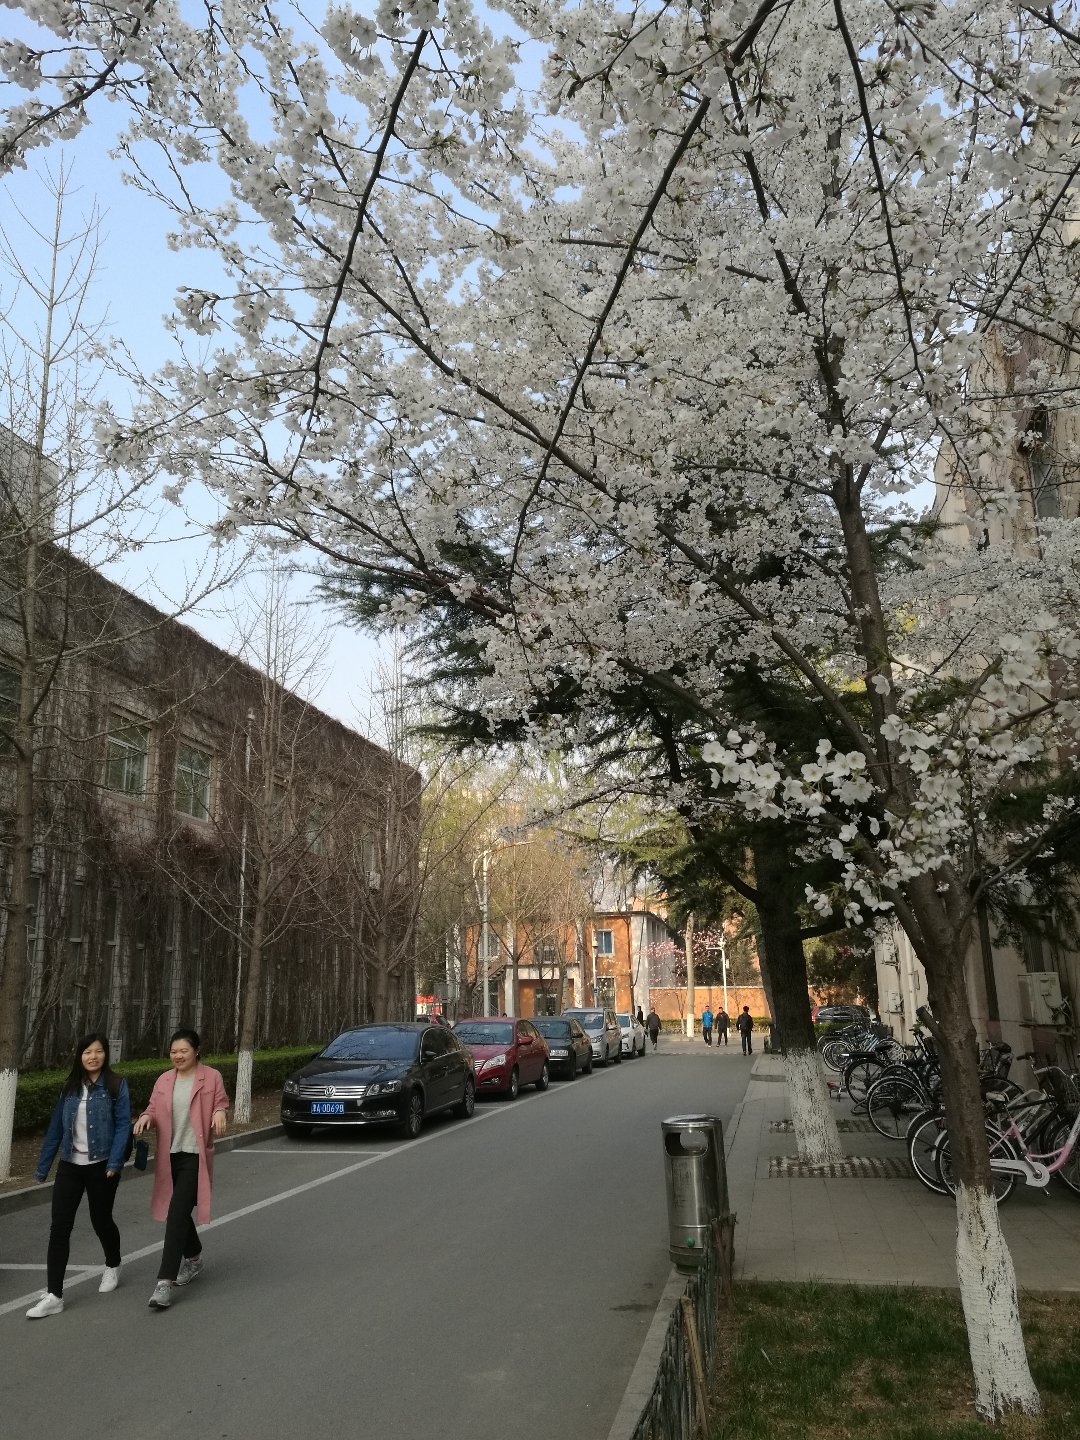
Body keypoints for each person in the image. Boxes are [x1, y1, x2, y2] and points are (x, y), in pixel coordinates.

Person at [26, 1032, 132, 1318]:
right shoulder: (69, 1088)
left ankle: (112, 1264)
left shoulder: (115, 1085)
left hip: (102, 1165)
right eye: (87, 1052)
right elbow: (56, 1129)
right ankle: (54, 1295)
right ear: (79, 1056)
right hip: (70, 1164)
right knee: (59, 1226)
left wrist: (116, 1162)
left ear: (105, 1054)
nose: (93, 1056)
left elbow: (124, 1125)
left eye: (98, 1051)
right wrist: (42, 1167)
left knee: (101, 1220)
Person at [133, 1028, 229, 1311]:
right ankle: (195, 1259)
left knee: (175, 1213)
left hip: (194, 1155)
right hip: (169, 1155)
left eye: (183, 1051)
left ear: (196, 1051)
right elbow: (152, 1107)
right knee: (177, 1210)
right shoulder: (164, 1080)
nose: (177, 1055)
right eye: (173, 1051)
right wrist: (145, 1118)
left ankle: (164, 1282)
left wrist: (219, 1112)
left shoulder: (211, 1077)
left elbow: (221, 1103)